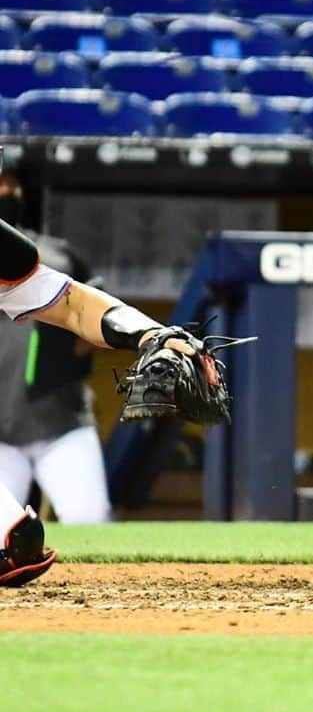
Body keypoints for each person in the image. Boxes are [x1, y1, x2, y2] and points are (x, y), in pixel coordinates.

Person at [0, 168, 217, 587]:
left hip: (55, 419)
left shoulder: (38, 254)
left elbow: (74, 305)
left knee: (17, 545)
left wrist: (152, 334)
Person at [0, 172, 112, 525]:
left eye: (12, 185)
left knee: (90, 519)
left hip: (59, 421)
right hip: (1, 431)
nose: (6, 191)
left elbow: (89, 313)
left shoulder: (55, 255)